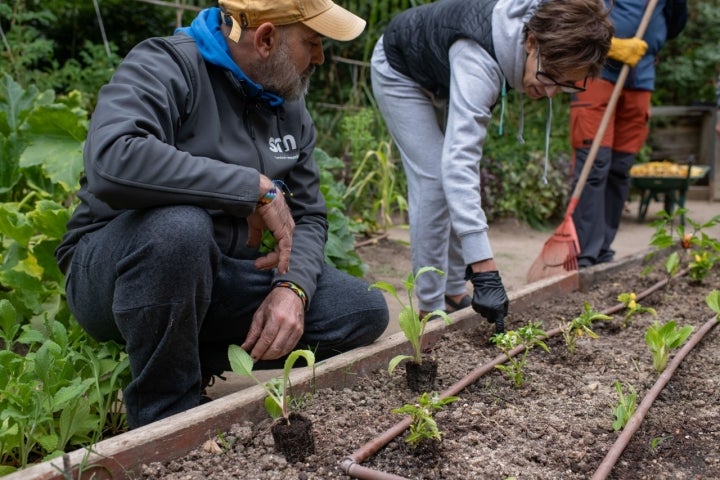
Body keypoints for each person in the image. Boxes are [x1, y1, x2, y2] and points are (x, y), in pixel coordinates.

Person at [54, 0, 389, 429]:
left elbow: (309, 216)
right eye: (313, 42)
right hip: (115, 269)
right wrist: (252, 188)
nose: (321, 57)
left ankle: (185, 352)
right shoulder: (166, 64)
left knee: (360, 309)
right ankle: (165, 418)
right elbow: (113, 160)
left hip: (214, 275)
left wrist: (293, 288)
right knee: (179, 228)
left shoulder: (287, 104)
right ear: (267, 38)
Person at [370, 0, 614, 333]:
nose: (552, 92)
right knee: (436, 181)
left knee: (453, 181)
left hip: (438, 69)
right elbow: (458, 165)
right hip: (400, 68)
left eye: (566, 84)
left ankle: (455, 291)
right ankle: (429, 310)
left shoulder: (541, 31)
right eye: (551, 77)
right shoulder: (479, 59)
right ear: (530, 42)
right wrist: (486, 271)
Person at [569, 0, 687, 268]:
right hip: (596, 69)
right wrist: (611, 45)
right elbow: (574, 16)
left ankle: (603, 248)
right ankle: (584, 254)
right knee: (594, 163)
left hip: (641, 74)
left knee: (620, 167)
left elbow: (675, 26)